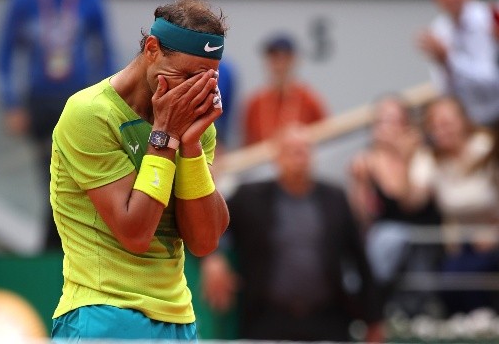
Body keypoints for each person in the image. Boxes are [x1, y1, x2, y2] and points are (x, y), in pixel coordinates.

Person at [49, 0, 230, 341]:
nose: (193, 92)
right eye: (185, 76)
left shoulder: (195, 125)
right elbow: (135, 233)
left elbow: (204, 241)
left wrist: (189, 145)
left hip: (180, 322)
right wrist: (165, 136)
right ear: (151, 49)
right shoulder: (88, 114)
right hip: (102, 315)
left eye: (206, 80)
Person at [201, 124, 384, 342]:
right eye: (291, 150)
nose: (299, 156)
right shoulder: (250, 197)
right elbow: (213, 224)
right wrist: (213, 258)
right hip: (267, 318)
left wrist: (374, 320)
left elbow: (360, 259)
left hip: (327, 317)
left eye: (304, 149)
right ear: (276, 157)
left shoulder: (335, 198)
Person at [0, 0, 115, 251]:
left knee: (75, 179)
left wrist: (110, 100)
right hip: (41, 104)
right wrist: (11, 105)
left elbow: (106, 54)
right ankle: (56, 250)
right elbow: (4, 57)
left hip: (80, 104)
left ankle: (56, 249)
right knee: (54, 178)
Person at [348, 95, 442, 315]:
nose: (384, 127)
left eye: (392, 120)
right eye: (380, 121)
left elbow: (410, 204)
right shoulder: (365, 162)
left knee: (390, 236)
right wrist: (359, 183)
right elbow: (362, 219)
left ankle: (363, 292)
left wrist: (406, 161)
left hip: (421, 244)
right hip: (383, 249)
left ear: (406, 125)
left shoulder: (423, 158)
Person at [405, 97, 499, 315]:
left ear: (463, 121)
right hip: (462, 241)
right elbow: (412, 202)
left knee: (472, 274)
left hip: (493, 233)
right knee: (450, 280)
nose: (441, 130)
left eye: (446, 123)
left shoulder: (487, 147)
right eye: (434, 125)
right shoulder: (430, 158)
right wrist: (409, 156)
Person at [417, 0, 499, 127]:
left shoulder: (490, 19)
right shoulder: (439, 30)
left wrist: (449, 60)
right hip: (468, 124)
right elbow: (444, 89)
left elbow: (492, 80)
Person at [242, 33, 327, 146]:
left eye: (285, 59)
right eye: (275, 59)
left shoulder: (309, 101)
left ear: (294, 61)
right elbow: (247, 146)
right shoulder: (255, 104)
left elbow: (325, 142)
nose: (280, 66)